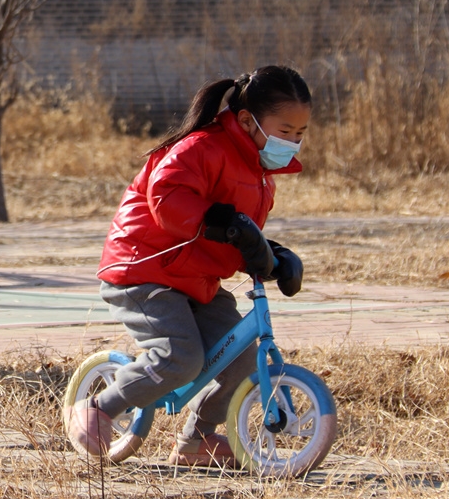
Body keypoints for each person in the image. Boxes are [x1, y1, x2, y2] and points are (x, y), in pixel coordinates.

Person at [67, 65, 309, 466]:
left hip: (194, 280)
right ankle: (98, 408)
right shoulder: (202, 147)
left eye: (300, 133)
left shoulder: (262, 178)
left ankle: (197, 440)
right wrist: (221, 221)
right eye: (285, 131)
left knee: (244, 358)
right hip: (145, 270)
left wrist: (271, 255)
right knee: (180, 357)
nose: (293, 142)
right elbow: (166, 194)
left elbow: (235, 235)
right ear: (248, 121)